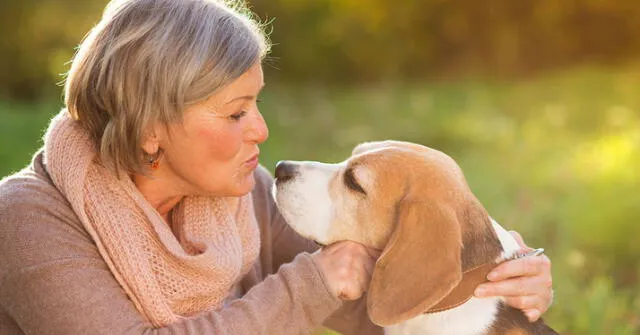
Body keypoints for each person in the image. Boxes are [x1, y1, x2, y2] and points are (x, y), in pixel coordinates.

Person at [0, 0, 553, 334]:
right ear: (151, 128)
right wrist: (307, 285)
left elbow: (376, 310)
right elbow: (319, 286)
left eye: (257, 104)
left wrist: (493, 281)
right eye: (236, 112)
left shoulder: (243, 197)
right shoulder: (29, 220)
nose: (261, 130)